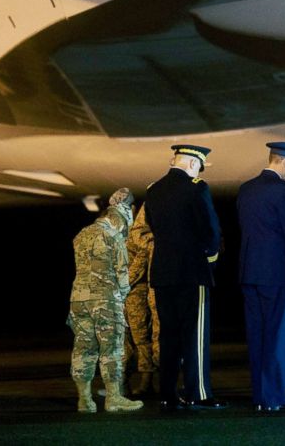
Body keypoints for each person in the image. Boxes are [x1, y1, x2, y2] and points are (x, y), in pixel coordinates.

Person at [146, 144, 227, 412]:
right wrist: (210, 259)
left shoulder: (153, 190)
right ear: (194, 164)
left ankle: (168, 393)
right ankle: (199, 393)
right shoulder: (196, 187)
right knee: (195, 336)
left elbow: (154, 228)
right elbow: (211, 230)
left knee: (168, 337)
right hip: (192, 271)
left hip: (162, 272)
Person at [237, 141, 285, 412]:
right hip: (277, 273)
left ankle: (260, 395)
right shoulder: (284, 192)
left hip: (250, 271)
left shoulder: (246, 189)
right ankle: (276, 397)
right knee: (279, 336)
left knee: (257, 336)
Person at [67, 187, 144, 413]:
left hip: (78, 300)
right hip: (105, 300)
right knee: (111, 348)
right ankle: (113, 398)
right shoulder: (113, 237)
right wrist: (123, 295)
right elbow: (121, 275)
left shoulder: (81, 234)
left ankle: (84, 399)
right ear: (122, 215)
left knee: (83, 347)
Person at [123, 204, 160, 397]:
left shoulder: (138, 236)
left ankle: (147, 382)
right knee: (127, 341)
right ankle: (125, 384)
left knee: (142, 338)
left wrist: (123, 283)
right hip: (126, 292)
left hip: (136, 291)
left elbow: (142, 259)